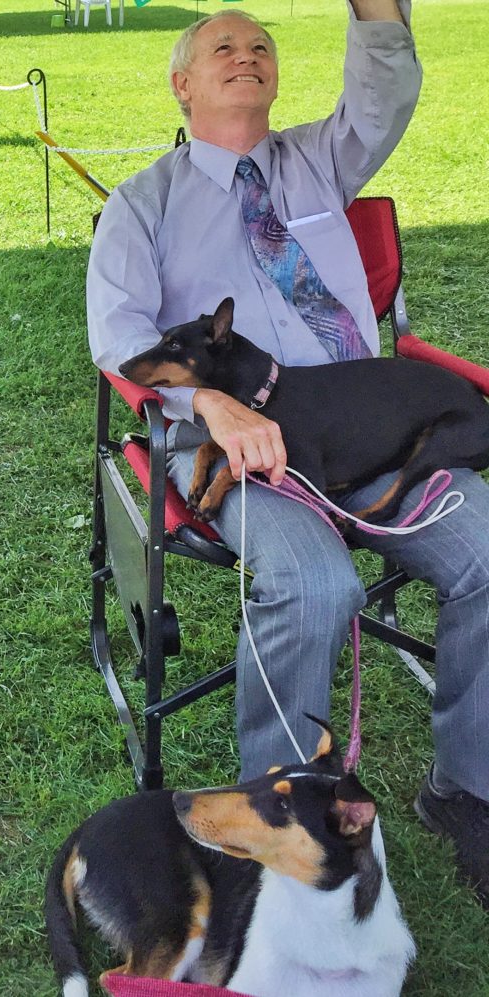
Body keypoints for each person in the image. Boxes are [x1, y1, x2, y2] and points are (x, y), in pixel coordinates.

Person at [87, 1, 489, 909]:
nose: (246, 56)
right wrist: (212, 401)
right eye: (221, 47)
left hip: (369, 436)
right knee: (316, 585)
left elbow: (385, 94)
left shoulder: (321, 159)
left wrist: (379, 12)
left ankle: (464, 787)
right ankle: (277, 808)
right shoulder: (141, 205)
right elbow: (116, 339)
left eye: (261, 45)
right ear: (182, 85)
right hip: (246, 453)